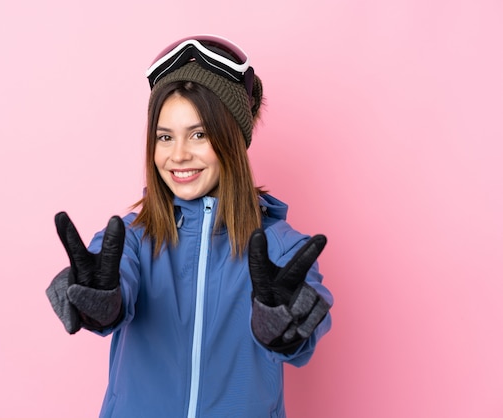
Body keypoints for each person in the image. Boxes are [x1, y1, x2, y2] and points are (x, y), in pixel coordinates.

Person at [46, 35, 333, 418]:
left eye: (198, 134)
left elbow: (308, 320)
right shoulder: (130, 239)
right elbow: (112, 284)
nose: (178, 154)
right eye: (165, 137)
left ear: (231, 139)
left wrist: (284, 326)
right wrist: (100, 298)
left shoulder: (282, 250)